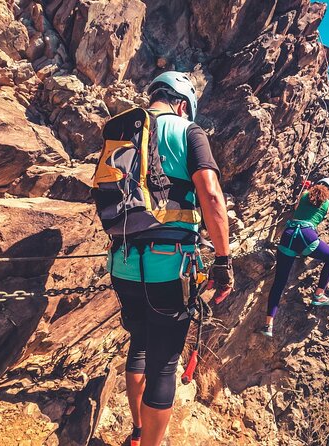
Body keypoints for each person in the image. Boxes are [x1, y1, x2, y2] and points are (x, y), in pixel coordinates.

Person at [108, 71, 234, 446]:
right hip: (169, 268)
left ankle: (136, 432)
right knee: (164, 363)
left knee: (140, 346)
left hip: (124, 265)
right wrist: (223, 260)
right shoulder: (188, 132)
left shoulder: (125, 132)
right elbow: (210, 196)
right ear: (183, 104)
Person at [260, 178, 329, 337]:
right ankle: (319, 295)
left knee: (279, 283)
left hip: (288, 235)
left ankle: (268, 325)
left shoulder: (304, 194)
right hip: (306, 236)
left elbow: (298, 208)